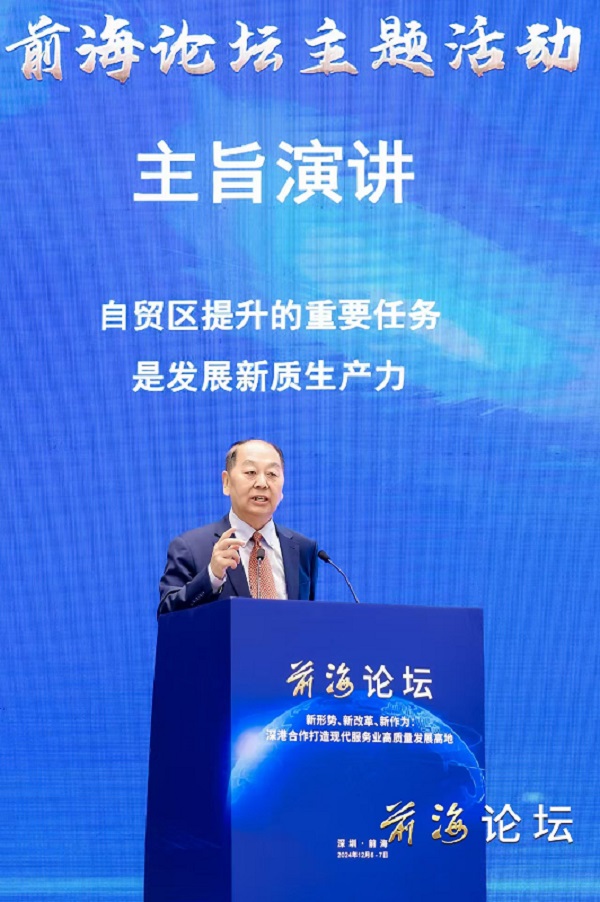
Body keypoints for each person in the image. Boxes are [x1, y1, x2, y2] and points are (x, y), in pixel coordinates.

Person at [158, 439, 319, 616]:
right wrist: (212, 576)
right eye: (251, 472)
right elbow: (167, 615)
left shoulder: (303, 548)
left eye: (272, 474)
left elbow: (306, 619)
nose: (262, 483)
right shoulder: (190, 548)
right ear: (226, 482)